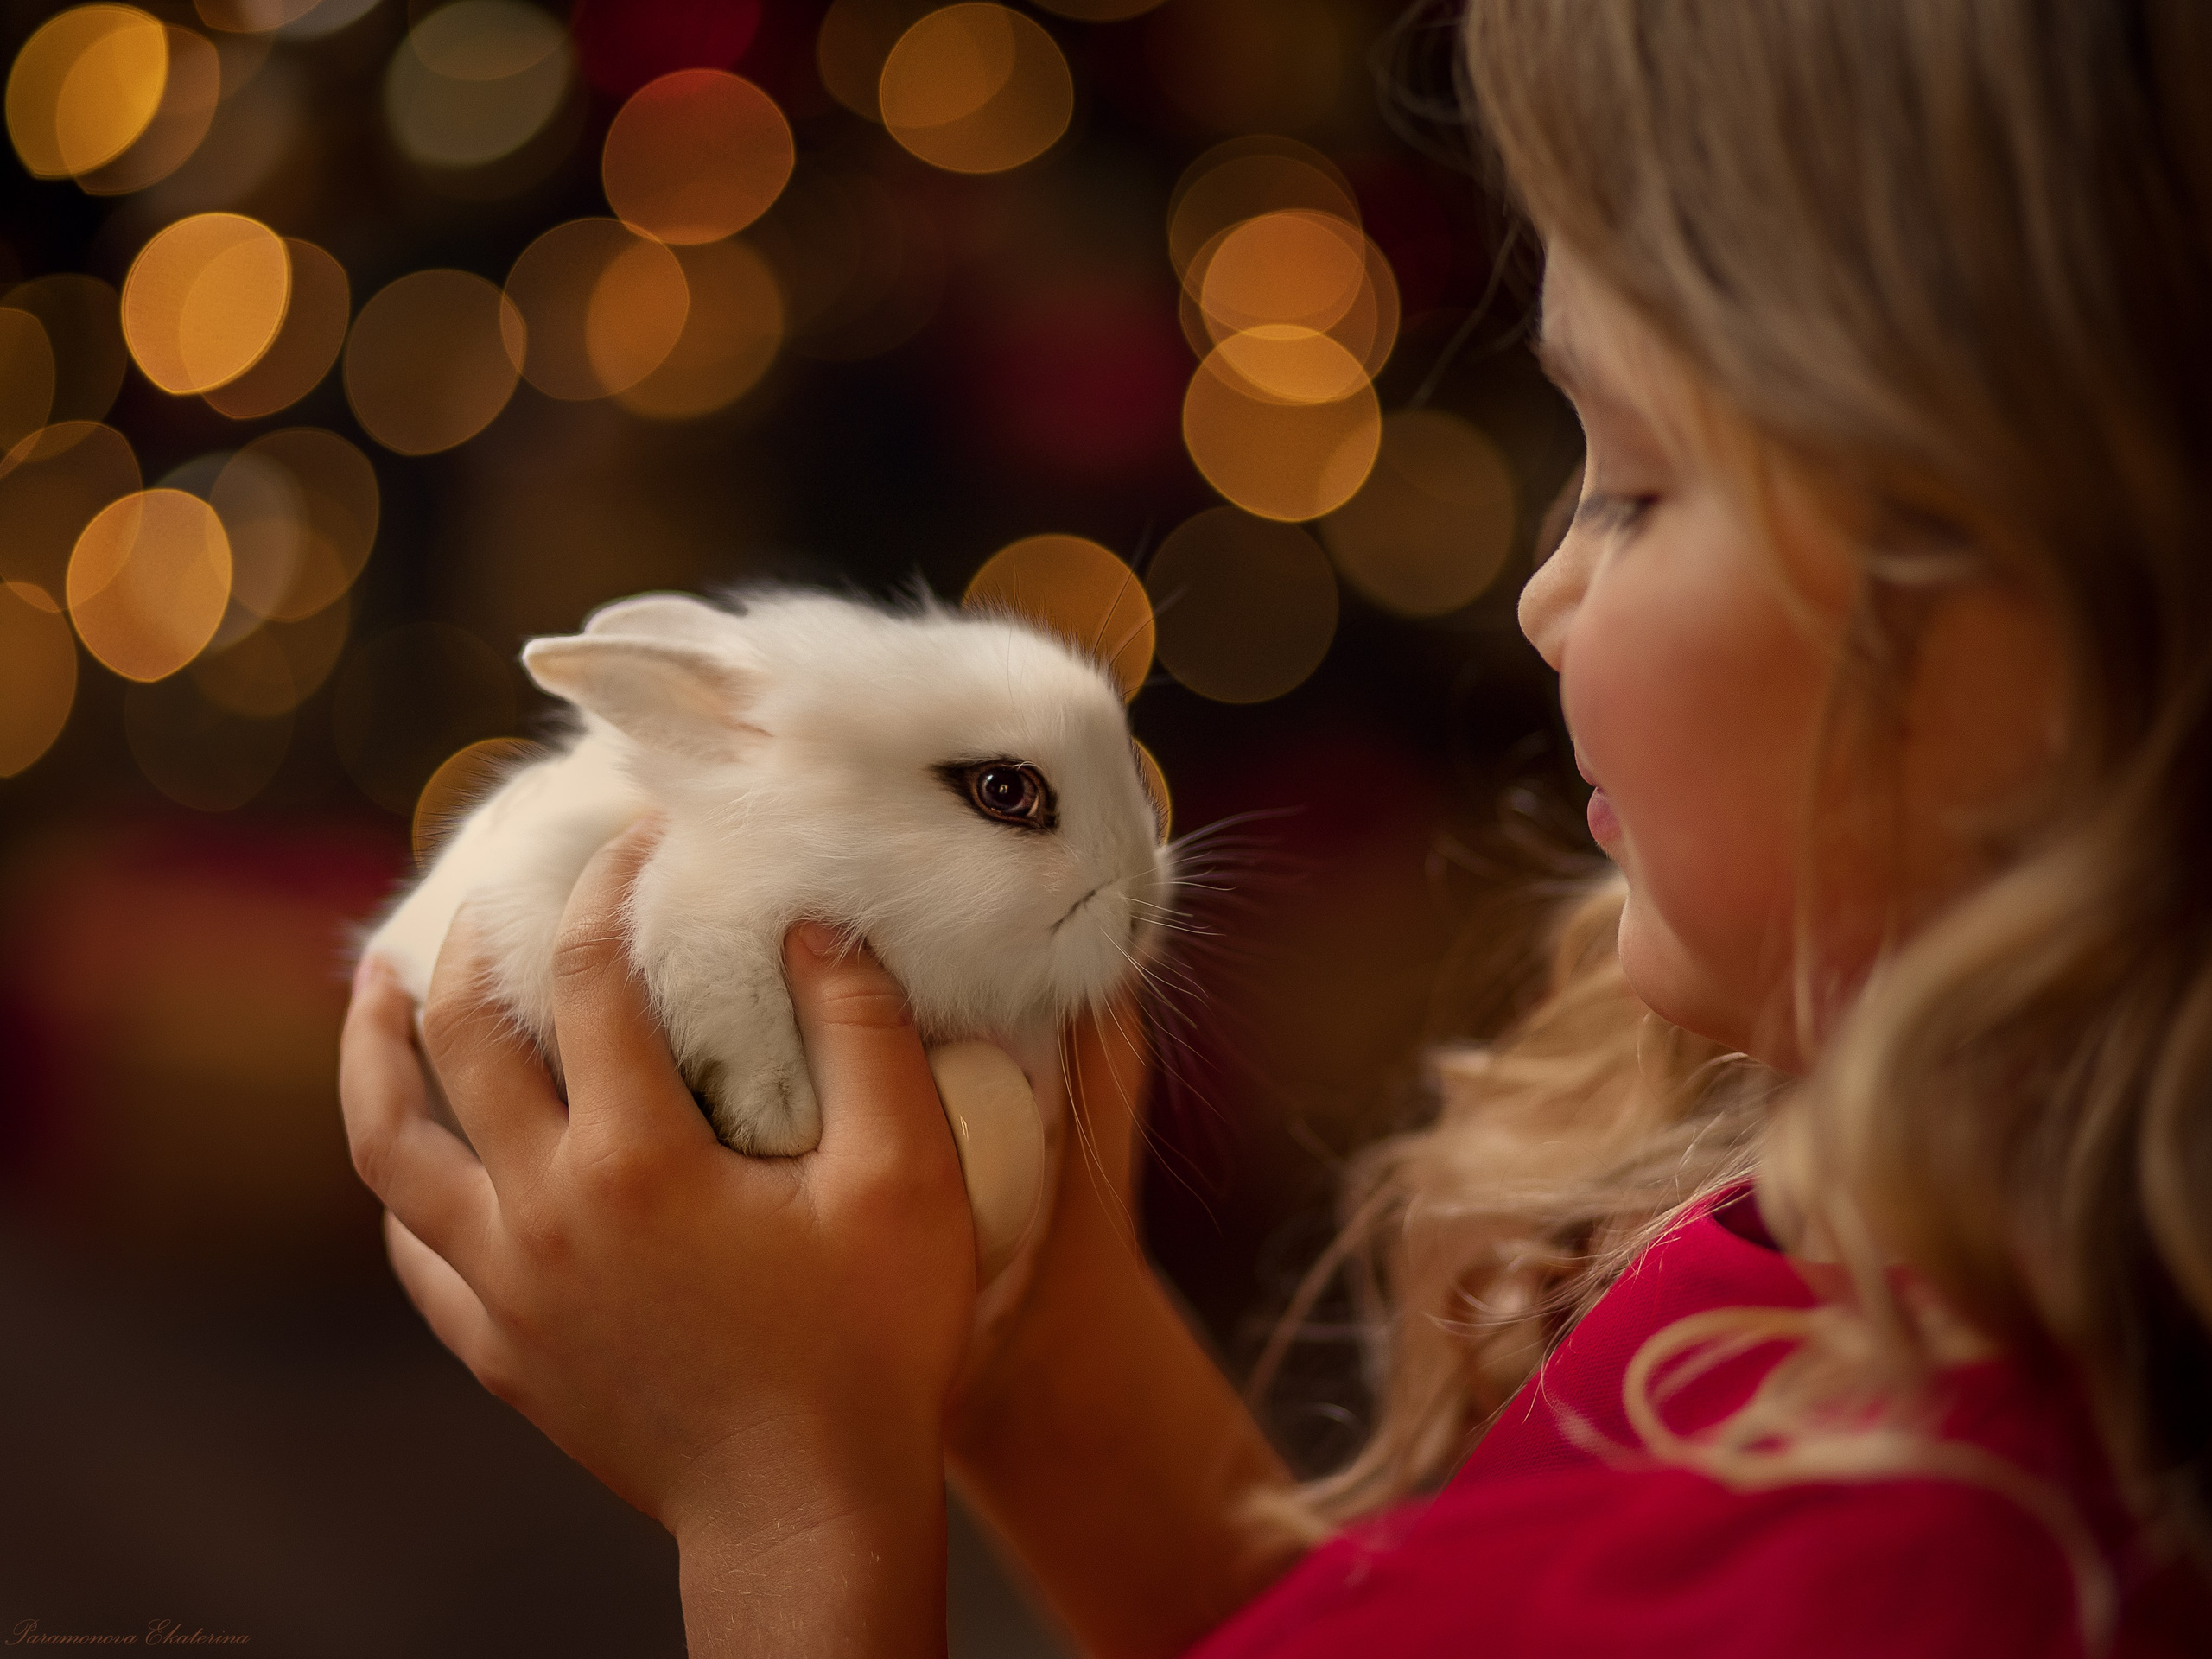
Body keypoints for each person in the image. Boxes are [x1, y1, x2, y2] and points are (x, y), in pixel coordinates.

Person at [338, 0, 2212, 1652]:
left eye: (1640, 486)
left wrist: (786, 1507)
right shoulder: (1835, 1227)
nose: (1541, 596)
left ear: (2062, 609)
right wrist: (1037, 1340)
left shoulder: (1936, 1576)